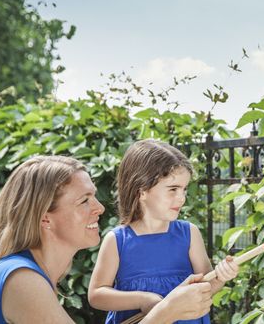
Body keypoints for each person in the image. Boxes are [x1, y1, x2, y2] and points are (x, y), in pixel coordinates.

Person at [0, 155, 212, 324]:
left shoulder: (27, 273)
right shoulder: (20, 280)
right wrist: (167, 310)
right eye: (84, 200)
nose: (100, 208)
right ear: (45, 217)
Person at [88, 139, 239, 324]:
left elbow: (206, 286)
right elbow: (96, 295)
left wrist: (222, 276)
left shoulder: (189, 234)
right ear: (142, 190)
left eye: (184, 189)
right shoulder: (118, 240)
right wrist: (143, 299)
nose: (181, 198)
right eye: (173, 189)